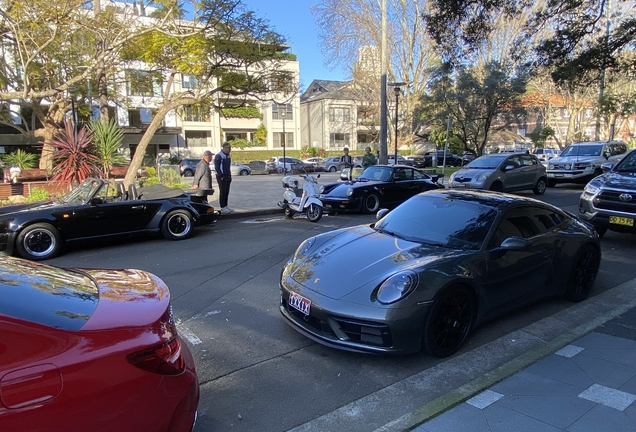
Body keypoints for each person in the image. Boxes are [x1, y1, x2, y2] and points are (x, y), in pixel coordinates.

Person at [214, 142, 233, 214]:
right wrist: (221, 176)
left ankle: (226, 205)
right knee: (223, 191)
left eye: (230, 148)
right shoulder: (219, 156)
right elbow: (217, 167)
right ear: (224, 148)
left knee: (226, 192)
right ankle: (222, 206)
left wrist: (229, 176)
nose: (229, 149)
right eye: (228, 148)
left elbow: (228, 167)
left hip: (227, 175)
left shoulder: (228, 156)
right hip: (221, 176)